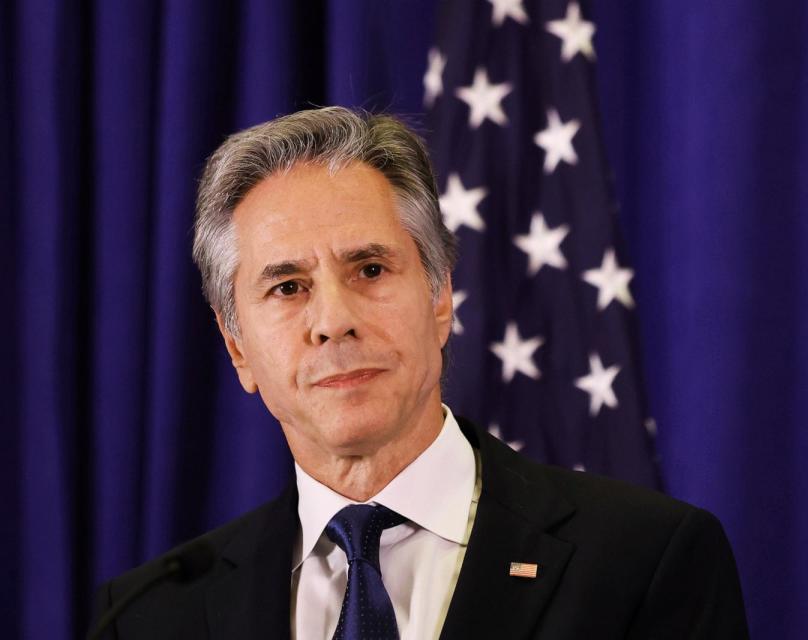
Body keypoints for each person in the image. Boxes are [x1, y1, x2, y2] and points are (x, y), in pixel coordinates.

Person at [91, 107, 749, 639]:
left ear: (439, 297)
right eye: (288, 288)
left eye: (369, 270)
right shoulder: (154, 616)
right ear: (237, 348)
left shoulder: (645, 563)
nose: (333, 321)